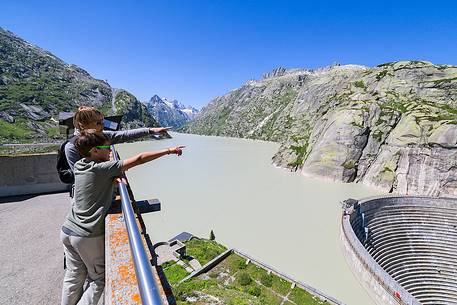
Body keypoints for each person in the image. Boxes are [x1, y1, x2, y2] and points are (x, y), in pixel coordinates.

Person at [60, 129, 184, 305]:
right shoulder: (102, 169)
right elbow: (140, 158)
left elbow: (96, 180)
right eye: (107, 147)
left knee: (73, 276)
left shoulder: (80, 165)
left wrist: (112, 178)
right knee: (99, 280)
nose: (111, 151)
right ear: (95, 151)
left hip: (67, 230)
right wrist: (169, 150)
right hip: (86, 235)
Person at [65, 106, 170, 171]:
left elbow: (125, 135)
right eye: (98, 123)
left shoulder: (102, 135)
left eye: (103, 121)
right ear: (83, 125)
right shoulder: (71, 147)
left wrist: (151, 130)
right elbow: (78, 175)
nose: (102, 125)